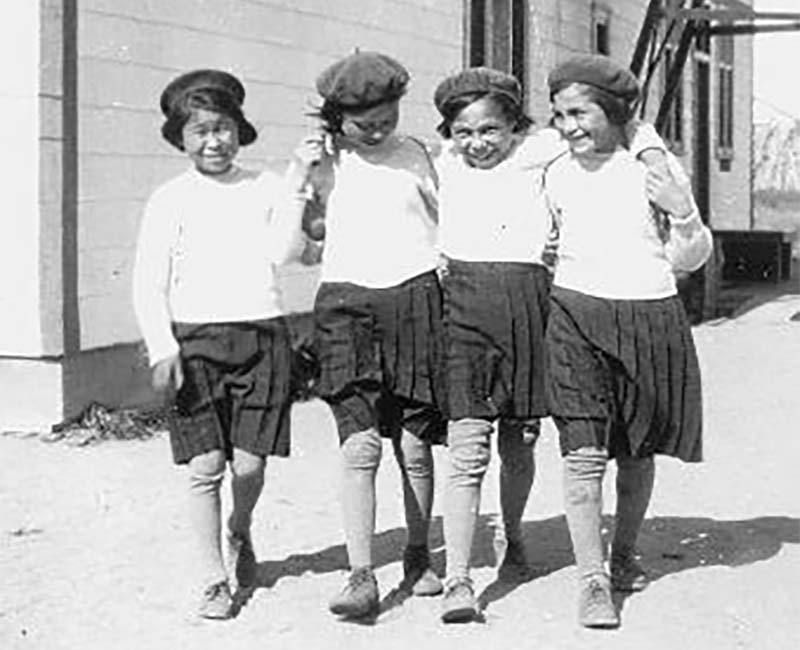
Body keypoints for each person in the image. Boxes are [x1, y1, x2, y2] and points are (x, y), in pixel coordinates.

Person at [431, 66, 672, 623]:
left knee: (520, 442)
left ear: (515, 125)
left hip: (534, 307)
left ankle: (513, 537)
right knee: (467, 450)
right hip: (464, 313)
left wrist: (657, 159)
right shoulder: (442, 161)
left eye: (490, 130)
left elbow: (630, 126)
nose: (477, 143)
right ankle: (458, 580)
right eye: (464, 132)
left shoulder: (542, 151)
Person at [543, 54, 712, 629]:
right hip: (572, 314)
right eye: (559, 114)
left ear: (612, 111)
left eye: (580, 113)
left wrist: (682, 211)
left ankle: (623, 555)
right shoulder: (555, 170)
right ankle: (592, 581)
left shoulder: (654, 168)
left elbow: (693, 257)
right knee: (583, 452)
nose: (567, 127)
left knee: (636, 451)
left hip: (649, 314)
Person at [132, 69, 303, 620]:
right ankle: (212, 578)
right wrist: (162, 346)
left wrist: (301, 179)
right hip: (194, 341)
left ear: (240, 130)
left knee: (249, 467)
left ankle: (240, 529)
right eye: (200, 131)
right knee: (206, 465)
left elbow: (285, 252)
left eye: (223, 128)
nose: (213, 141)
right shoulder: (169, 200)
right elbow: (147, 282)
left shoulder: (266, 186)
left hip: (262, 335)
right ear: (181, 138)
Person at [290, 51, 446, 620]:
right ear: (338, 116)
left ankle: (418, 554)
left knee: (413, 443)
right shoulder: (323, 164)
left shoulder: (417, 156)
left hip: (414, 301)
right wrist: (302, 180)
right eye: (365, 123)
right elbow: (299, 247)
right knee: (358, 443)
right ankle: (360, 575)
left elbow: (447, 223)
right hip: (347, 306)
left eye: (387, 117)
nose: (378, 130)